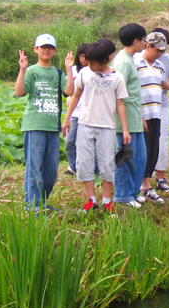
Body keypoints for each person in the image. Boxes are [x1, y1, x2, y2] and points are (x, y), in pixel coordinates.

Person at [62, 42, 130, 213]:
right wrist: (67, 118)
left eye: (93, 63)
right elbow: (76, 96)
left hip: (107, 127)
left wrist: (125, 129)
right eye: (88, 62)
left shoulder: (117, 77)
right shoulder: (85, 73)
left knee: (107, 165)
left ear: (104, 61)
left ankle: (107, 201)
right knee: (84, 162)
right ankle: (91, 200)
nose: (89, 66)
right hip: (85, 125)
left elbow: (120, 104)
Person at [15, 33, 74, 212]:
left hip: (52, 126)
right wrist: (22, 69)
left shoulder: (57, 72)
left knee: (50, 169)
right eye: (43, 47)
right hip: (34, 124)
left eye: (50, 47)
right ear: (36, 49)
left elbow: (69, 90)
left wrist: (69, 69)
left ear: (55, 51)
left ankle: (41, 201)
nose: (46, 50)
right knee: (34, 167)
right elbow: (19, 92)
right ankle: (32, 205)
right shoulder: (31, 70)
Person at [112, 23, 148, 209]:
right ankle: (123, 195)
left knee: (140, 158)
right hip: (125, 121)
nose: (144, 43)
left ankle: (132, 193)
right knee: (127, 159)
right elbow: (117, 94)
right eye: (143, 40)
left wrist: (140, 116)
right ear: (136, 41)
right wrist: (124, 126)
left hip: (134, 118)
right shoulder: (123, 62)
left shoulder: (128, 59)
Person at [134, 32, 169, 204]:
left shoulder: (160, 66)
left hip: (155, 112)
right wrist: (138, 114)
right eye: (158, 50)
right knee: (142, 150)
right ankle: (142, 185)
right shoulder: (134, 63)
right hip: (141, 114)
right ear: (148, 46)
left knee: (153, 149)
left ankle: (146, 185)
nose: (160, 54)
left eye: (163, 51)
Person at [151, 27, 169, 194]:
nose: (160, 52)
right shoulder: (140, 60)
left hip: (162, 105)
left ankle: (160, 177)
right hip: (146, 106)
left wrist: (165, 85)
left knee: (163, 141)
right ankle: (144, 179)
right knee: (146, 142)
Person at [64, 43, 89, 176]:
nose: (83, 59)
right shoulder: (73, 70)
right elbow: (68, 90)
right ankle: (73, 166)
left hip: (88, 113)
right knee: (69, 141)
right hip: (74, 112)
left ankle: (82, 167)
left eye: (86, 56)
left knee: (85, 143)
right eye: (81, 56)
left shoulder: (94, 71)